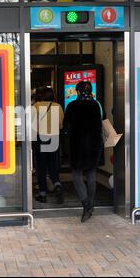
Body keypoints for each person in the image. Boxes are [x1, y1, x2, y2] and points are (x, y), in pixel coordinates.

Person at [64, 81, 103, 222]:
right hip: (94, 144)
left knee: (77, 174)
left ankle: (86, 202)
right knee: (92, 174)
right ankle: (90, 205)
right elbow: (102, 121)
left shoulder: (72, 106)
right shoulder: (96, 105)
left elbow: (66, 127)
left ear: (78, 91)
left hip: (78, 145)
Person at [33, 87, 64, 204]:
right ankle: (57, 184)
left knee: (40, 166)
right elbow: (61, 124)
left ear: (42, 95)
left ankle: (42, 193)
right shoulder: (58, 106)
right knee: (52, 164)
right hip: (54, 138)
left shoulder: (36, 106)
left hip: (40, 138)